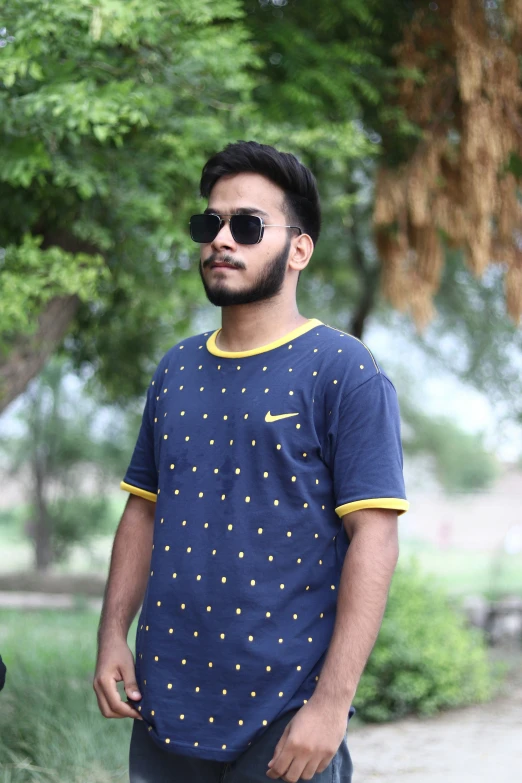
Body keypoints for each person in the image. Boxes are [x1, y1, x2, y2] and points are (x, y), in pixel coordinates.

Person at [94, 141, 409, 783]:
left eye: (247, 225)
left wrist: (332, 706)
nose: (221, 240)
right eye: (209, 224)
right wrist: (110, 638)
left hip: (286, 721)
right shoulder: (175, 371)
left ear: (299, 249)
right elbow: (141, 513)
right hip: (164, 711)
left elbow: (373, 540)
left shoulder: (344, 372)